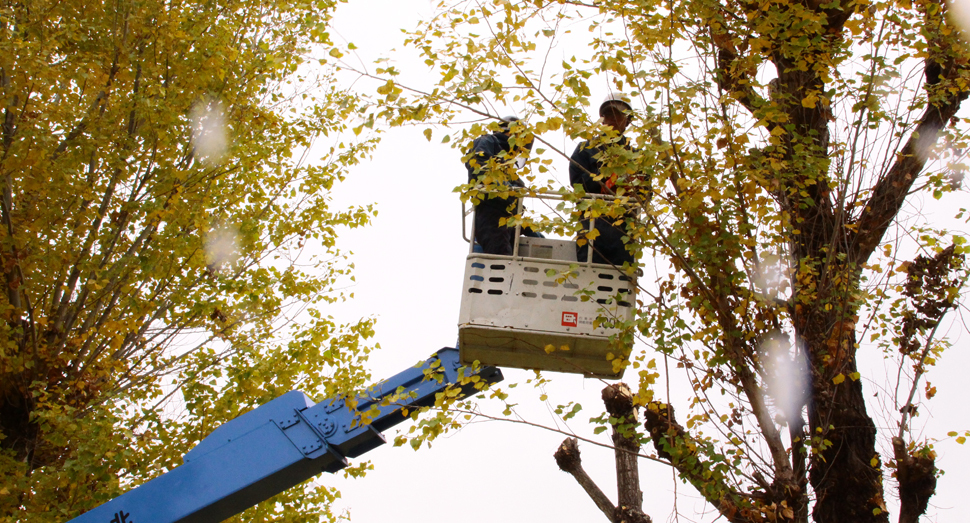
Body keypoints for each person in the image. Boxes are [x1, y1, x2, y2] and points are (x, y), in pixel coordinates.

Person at [569, 92, 649, 266]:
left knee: (620, 281)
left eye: (616, 115)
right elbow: (577, 186)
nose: (610, 119)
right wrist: (605, 181)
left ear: (627, 121)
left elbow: (646, 193)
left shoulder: (636, 156)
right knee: (589, 276)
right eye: (606, 115)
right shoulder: (586, 148)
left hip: (624, 228)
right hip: (592, 224)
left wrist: (633, 188)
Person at [465, 116, 540, 255]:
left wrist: (528, 228)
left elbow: (515, 201)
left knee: (509, 260)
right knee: (499, 258)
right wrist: (505, 188)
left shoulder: (508, 167)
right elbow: (479, 167)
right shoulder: (487, 141)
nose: (519, 150)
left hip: (506, 220)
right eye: (521, 140)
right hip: (491, 214)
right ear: (512, 132)